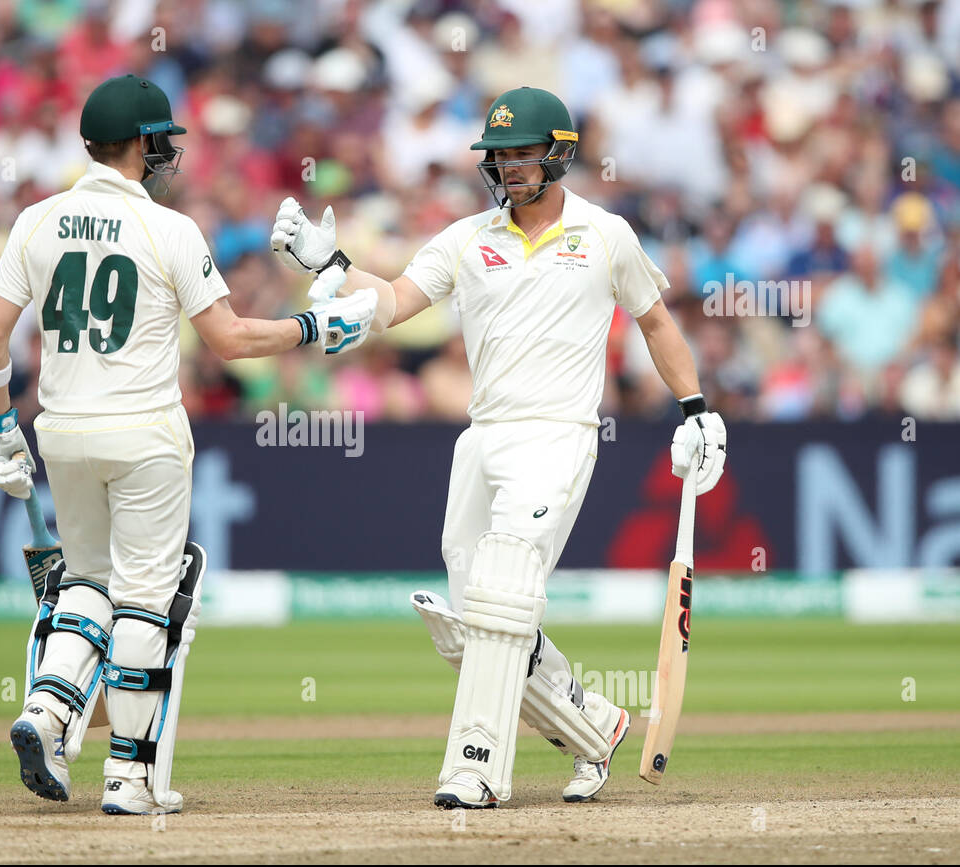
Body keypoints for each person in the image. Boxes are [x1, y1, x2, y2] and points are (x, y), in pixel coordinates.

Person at [270, 86, 727, 807]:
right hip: (483, 438)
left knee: (504, 594)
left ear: (559, 153)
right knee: (471, 620)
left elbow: (658, 321)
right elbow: (393, 302)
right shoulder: (466, 238)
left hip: (558, 435)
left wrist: (697, 408)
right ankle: (594, 727)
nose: (509, 166)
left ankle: (475, 767)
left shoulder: (606, 234)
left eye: (522, 152)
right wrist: (329, 266)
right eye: (499, 154)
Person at [0, 74, 376, 815]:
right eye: (159, 139)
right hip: (146, 434)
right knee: (145, 601)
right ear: (139, 144)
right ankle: (127, 776)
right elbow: (229, 339)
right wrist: (318, 328)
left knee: (85, 587)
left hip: (61, 431)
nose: (166, 152)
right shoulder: (170, 228)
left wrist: (0, 426)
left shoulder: (36, 219)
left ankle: (48, 711)